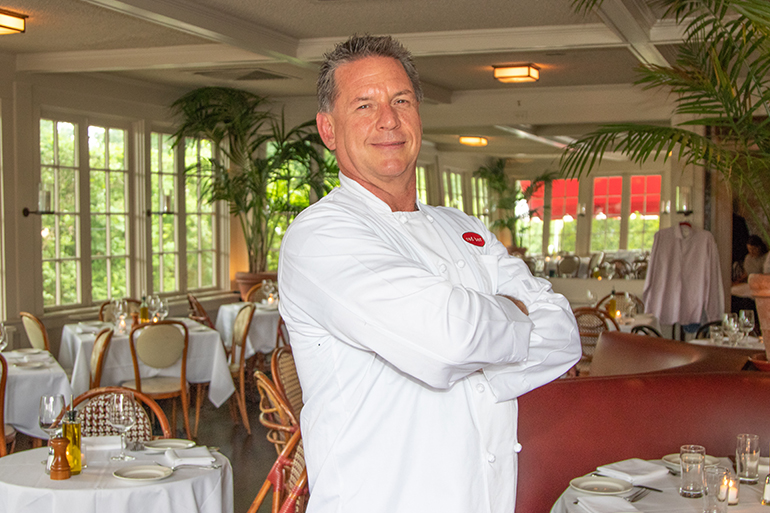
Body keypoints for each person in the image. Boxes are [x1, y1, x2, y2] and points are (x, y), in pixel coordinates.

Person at [278, 35, 580, 513]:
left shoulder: (463, 226)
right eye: (364, 105)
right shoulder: (321, 235)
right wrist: (510, 322)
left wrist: (471, 346)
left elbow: (564, 334)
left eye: (401, 101)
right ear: (329, 130)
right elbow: (449, 338)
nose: (388, 120)